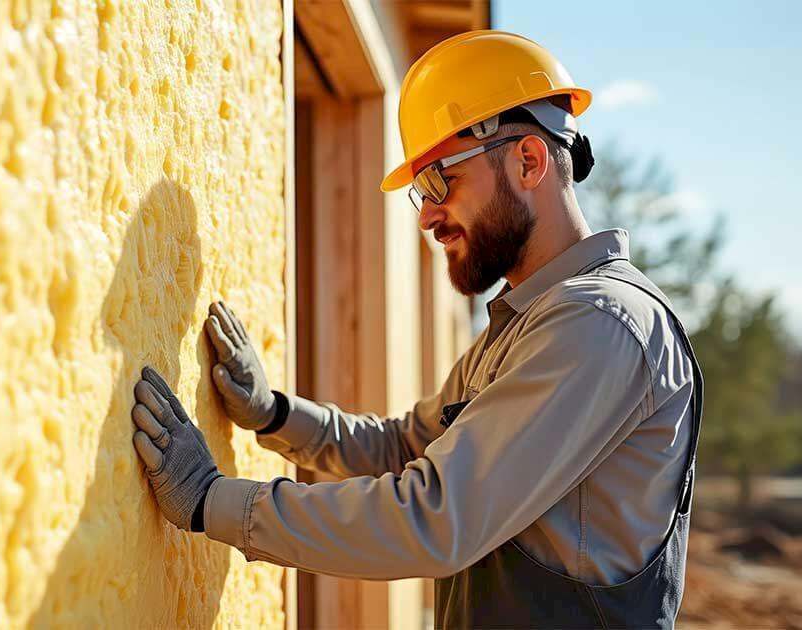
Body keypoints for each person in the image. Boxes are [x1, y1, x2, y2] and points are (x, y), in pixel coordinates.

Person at [129, 30, 703, 628]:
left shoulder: (598, 325)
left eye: (438, 182)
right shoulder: (528, 323)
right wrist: (272, 413)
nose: (427, 215)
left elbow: (433, 518)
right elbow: (406, 447)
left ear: (528, 161)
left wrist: (208, 500)